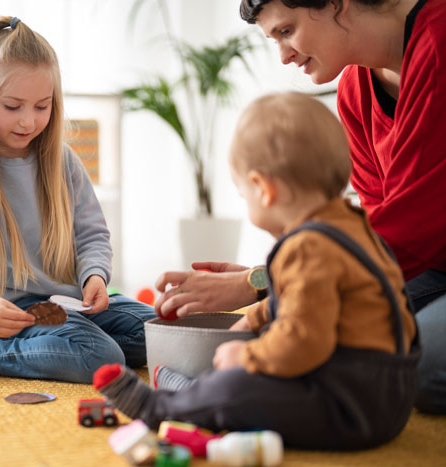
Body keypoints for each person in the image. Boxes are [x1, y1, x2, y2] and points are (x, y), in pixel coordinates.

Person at [94, 92, 420, 450]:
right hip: (391, 399)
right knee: (250, 369)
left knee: (236, 389)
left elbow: (304, 341)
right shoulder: (351, 225)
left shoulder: (306, 247)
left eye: (242, 192)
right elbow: (307, 299)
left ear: (263, 189)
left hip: (350, 408)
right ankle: (192, 391)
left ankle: (160, 406)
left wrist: (244, 357)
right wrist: (257, 317)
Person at [0, 17, 156, 384]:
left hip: (75, 304)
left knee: (159, 331)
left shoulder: (64, 162)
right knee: (102, 356)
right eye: (13, 107)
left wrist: (94, 275)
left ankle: (69, 347)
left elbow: (92, 234)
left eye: (42, 106)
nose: (29, 121)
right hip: (16, 313)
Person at [236, 0, 446, 415]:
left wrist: (262, 283)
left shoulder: (439, 43)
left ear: (337, 3)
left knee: (415, 370)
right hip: (432, 269)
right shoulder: (355, 90)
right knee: (317, 332)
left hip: (427, 254)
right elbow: (371, 230)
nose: (283, 55)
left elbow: (416, 226)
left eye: (286, 31)